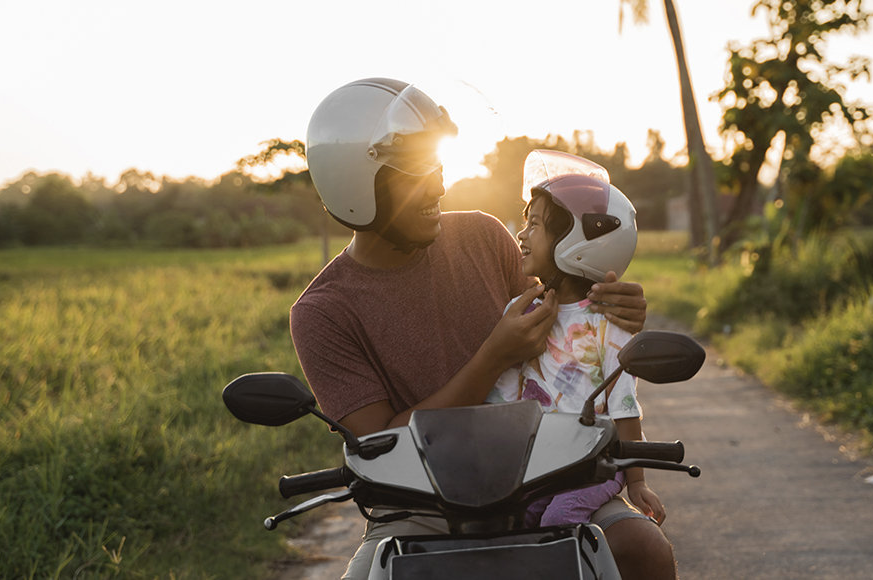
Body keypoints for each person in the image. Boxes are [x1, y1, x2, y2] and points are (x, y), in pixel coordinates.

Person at [288, 78, 677, 580]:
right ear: (355, 186)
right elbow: (379, 444)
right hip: (417, 506)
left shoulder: (483, 236)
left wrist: (615, 309)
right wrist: (492, 357)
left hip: (544, 476)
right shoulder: (323, 311)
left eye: (438, 167)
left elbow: (567, 316)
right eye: (414, 175)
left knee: (644, 550)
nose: (438, 186)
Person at [486, 151, 665, 529]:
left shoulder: (607, 322)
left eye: (534, 224)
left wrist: (638, 482)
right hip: (537, 467)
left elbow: (625, 406)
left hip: (593, 466)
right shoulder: (518, 315)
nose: (521, 234)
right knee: (507, 523)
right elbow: (500, 397)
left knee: (559, 520)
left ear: (577, 239)